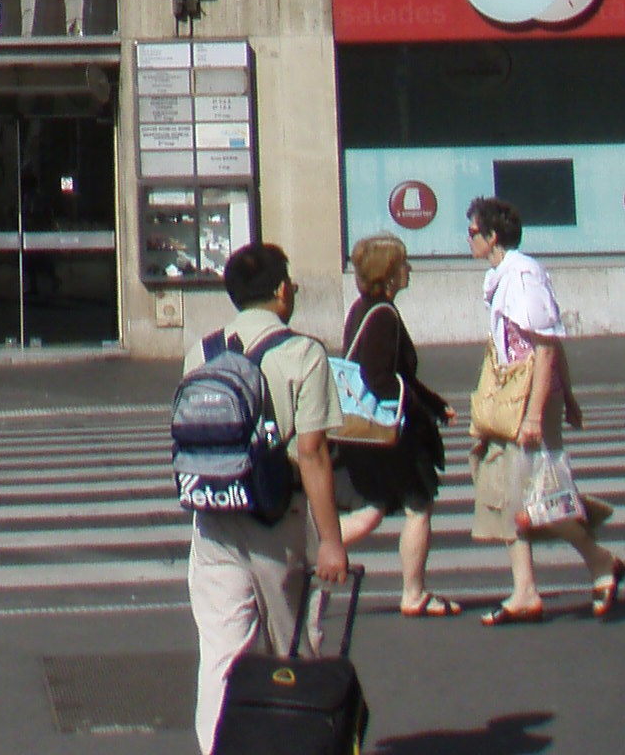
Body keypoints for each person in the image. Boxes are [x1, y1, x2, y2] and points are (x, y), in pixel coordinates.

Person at [184, 241, 348, 755]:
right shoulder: (304, 353)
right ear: (280, 291)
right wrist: (332, 543)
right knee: (292, 648)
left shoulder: (202, 351)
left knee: (221, 654)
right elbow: (313, 454)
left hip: (212, 516)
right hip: (277, 520)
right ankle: (294, 742)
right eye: (290, 282)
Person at [465, 196, 623, 624]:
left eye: (473, 232)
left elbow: (547, 344)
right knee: (517, 496)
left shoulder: (522, 275)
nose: (469, 239)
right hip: (514, 399)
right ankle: (526, 591)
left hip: (528, 402)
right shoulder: (503, 276)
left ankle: (599, 561)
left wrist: (542, 411)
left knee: (536, 500)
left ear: (492, 235)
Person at [335, 233, 456, 615]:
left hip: (366, 433)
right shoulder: (383, 315)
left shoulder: (363, 309)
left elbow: (396, 375)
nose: (409, 270)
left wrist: (435, 405)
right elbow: (381, 379)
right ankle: (414, 593)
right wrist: (421, 412)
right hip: (390, 433)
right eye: (403, 264)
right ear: (388, 274)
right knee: (418, 505)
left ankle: (304, 554)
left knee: (373, 508)